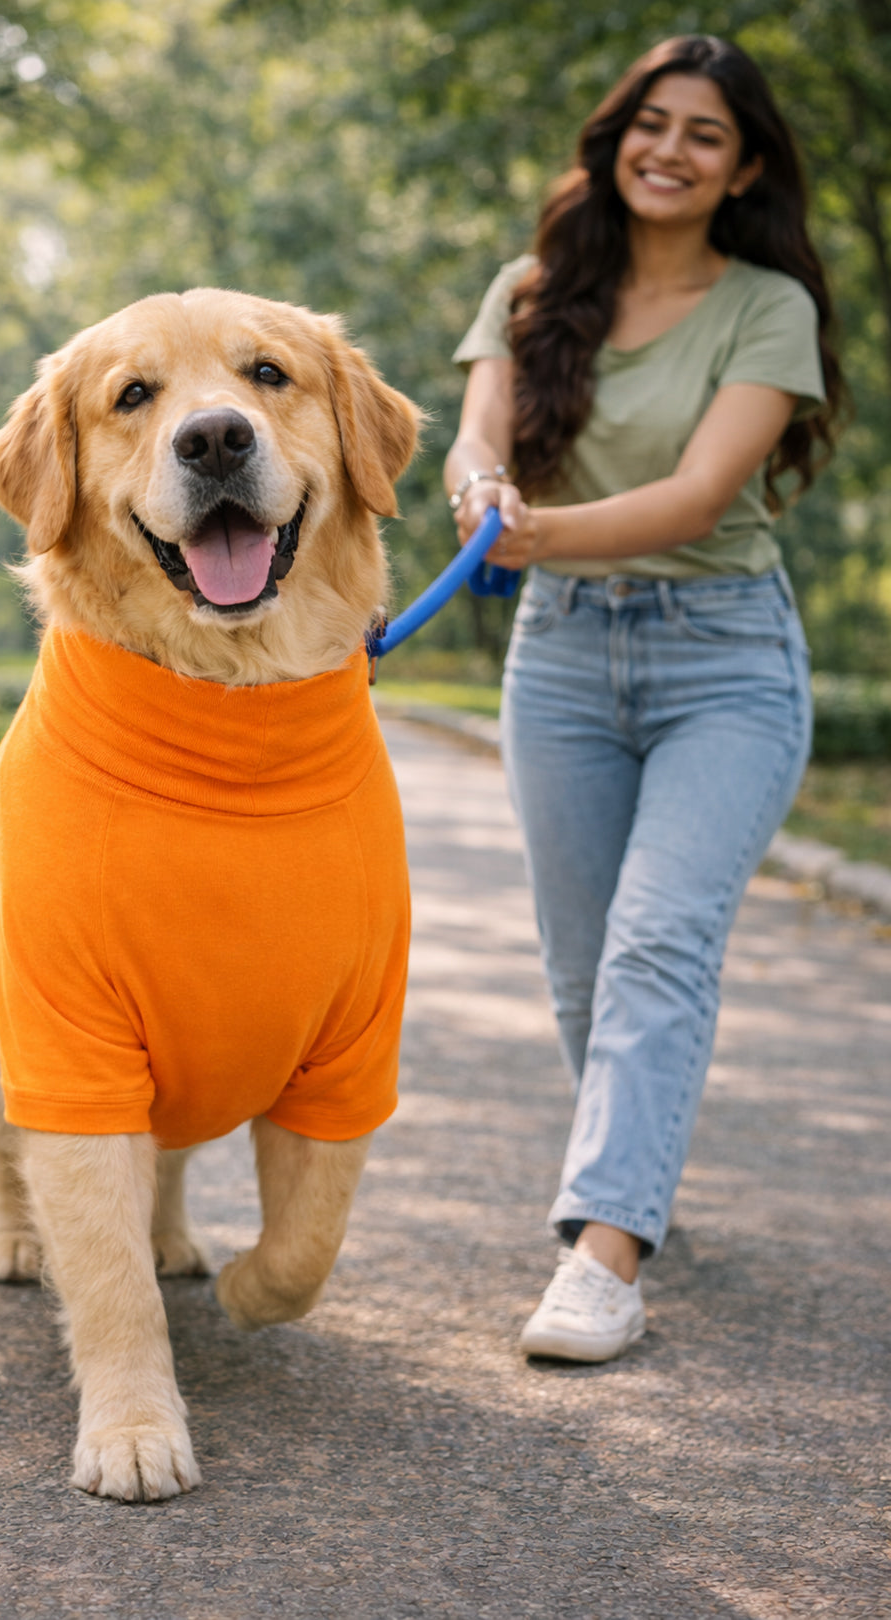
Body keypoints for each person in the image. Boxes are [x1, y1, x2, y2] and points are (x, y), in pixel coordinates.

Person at [445, 34, 843, 1363]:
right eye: (650, 124)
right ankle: (634, 1178)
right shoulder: (533, 286)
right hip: (561, 656)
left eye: (706, 135)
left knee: (656, 942)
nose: (669, 151)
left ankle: (603, 1257)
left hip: (721, 657)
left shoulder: (767, 306)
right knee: (578, 974)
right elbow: (477, 439)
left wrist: (529, 539)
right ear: (616, 137)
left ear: (743, 170)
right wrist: (477, 500)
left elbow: (695, 498)